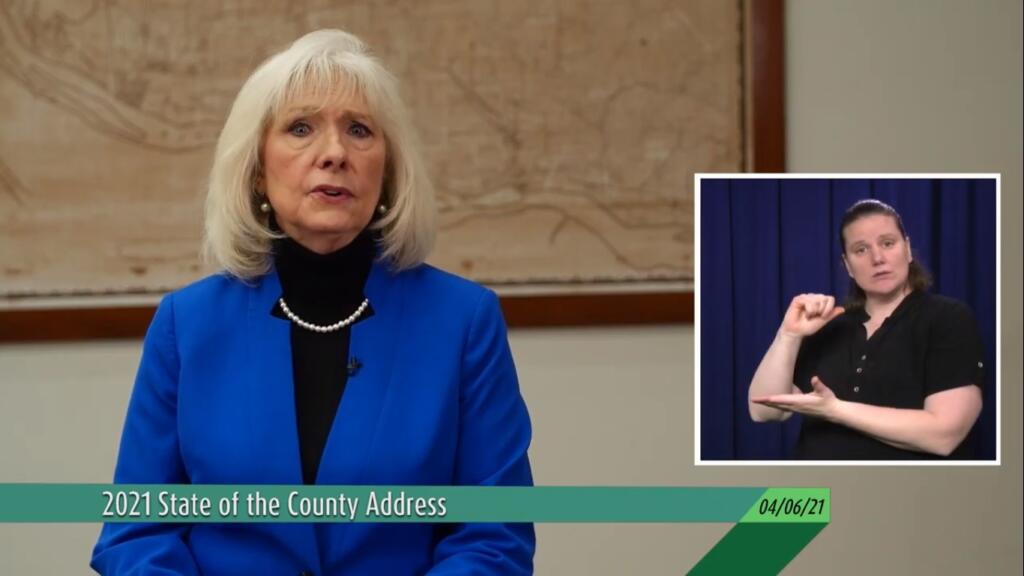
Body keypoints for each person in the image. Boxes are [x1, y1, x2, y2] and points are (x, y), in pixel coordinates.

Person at [91, 29, 534, 574]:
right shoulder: (187, 325)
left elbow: (495, 537)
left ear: (388, 170)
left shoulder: (464, 321)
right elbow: (135, 534)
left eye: (359, 130)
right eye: (301, 128)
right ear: (257, 168)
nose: (335, 153)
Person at [748, 199, 984, 459]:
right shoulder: (831, 326)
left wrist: (835, 410)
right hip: (815, 494)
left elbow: (945, 435)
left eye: (887, 243)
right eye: (861, 250)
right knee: (719, 502)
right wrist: (789, 335)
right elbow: (764, 410)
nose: (877, 258)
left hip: (904, 494)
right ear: (848, 265)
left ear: (907, 249)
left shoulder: (948, 318)